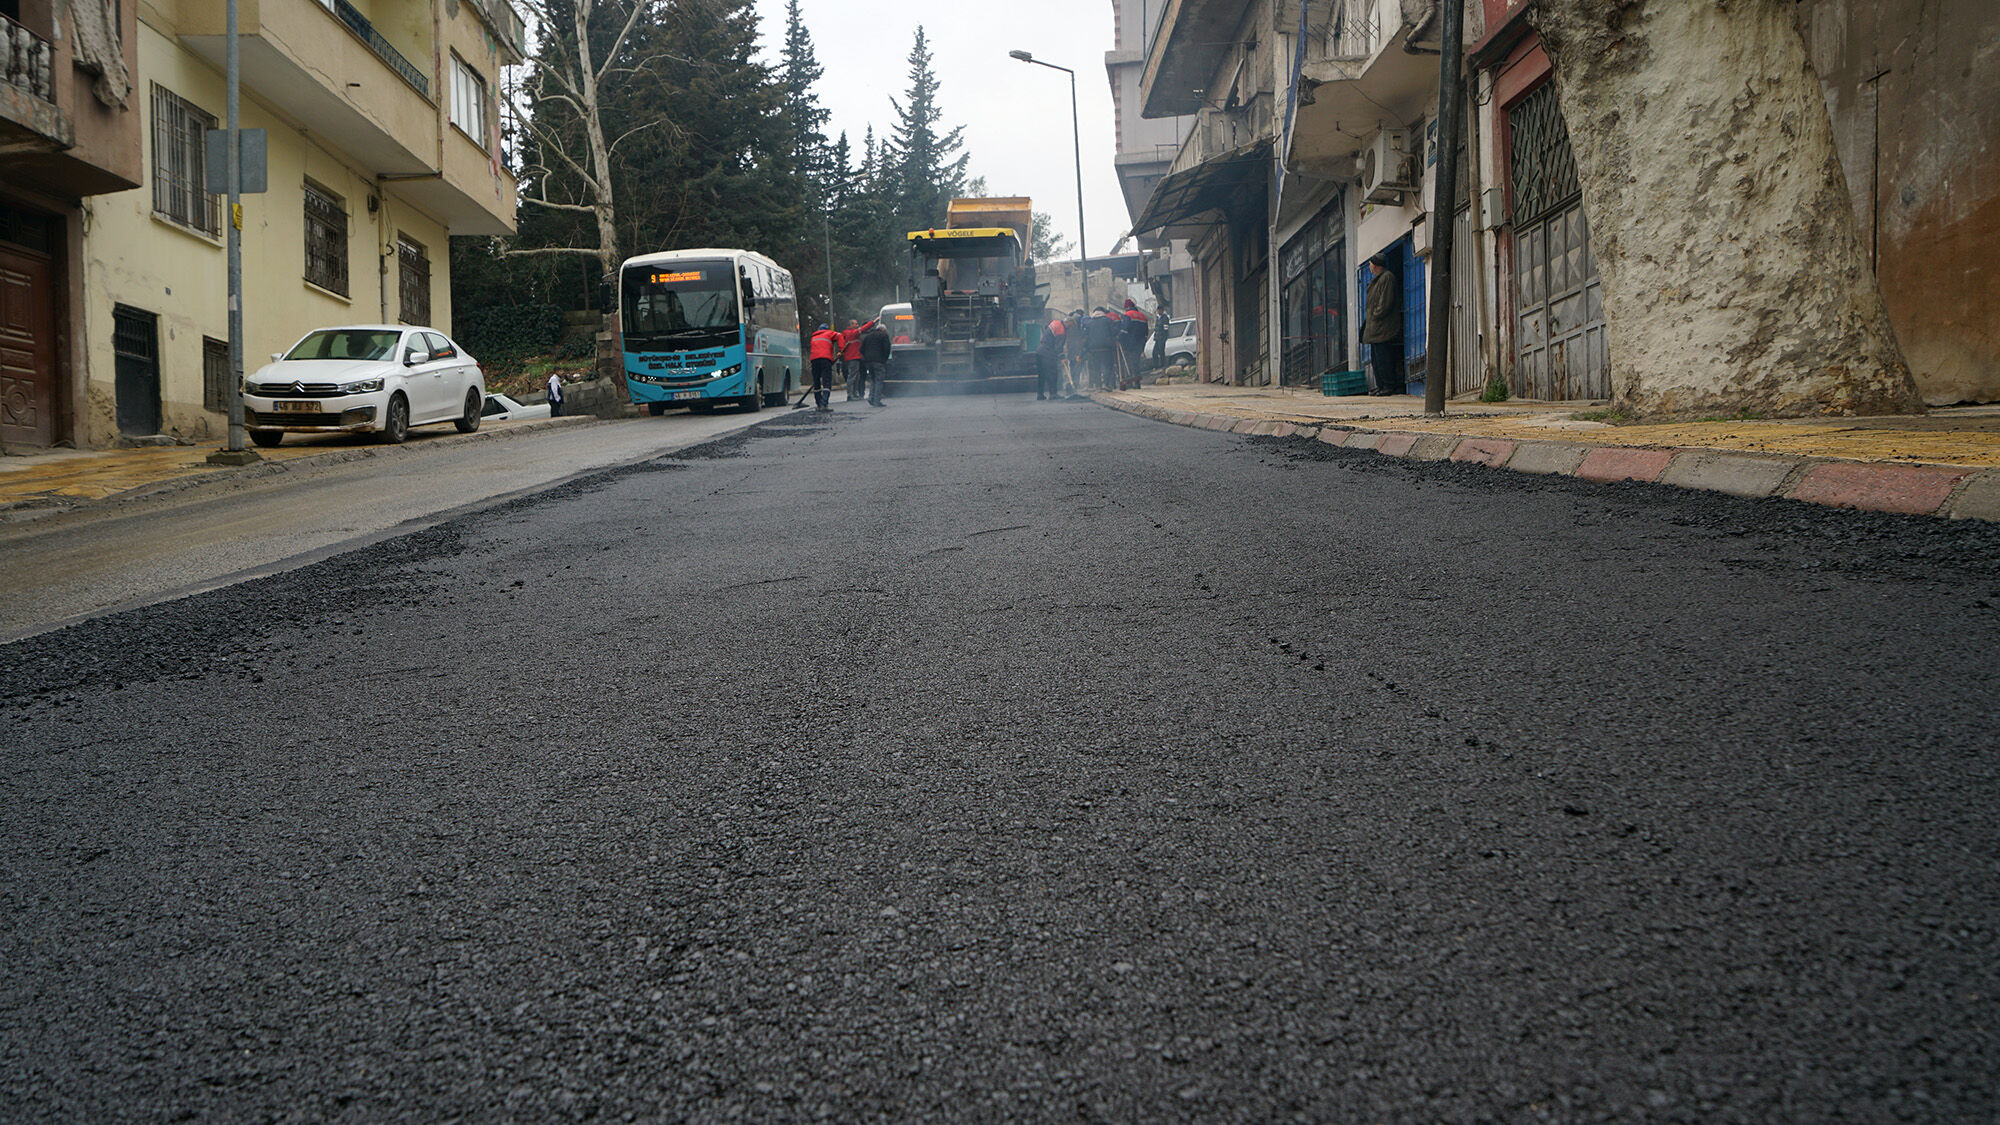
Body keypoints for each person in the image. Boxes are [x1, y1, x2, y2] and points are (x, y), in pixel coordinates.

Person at [1362, 254, 1405, 396]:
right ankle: (1381, 386)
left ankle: (1388, 386)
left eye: (1370, 264)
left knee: (1384, 358)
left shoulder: (1387, 278)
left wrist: (1375, 314)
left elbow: (1385, 303)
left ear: (1375, 265)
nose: (1369, 267)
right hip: (1375, 327)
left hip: (1382, 327)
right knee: (1376, 358)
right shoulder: (1377, 280)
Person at [1084, 307, 1122, 391]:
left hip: (1093, 348)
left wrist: (1087, 348)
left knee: (1096, 367)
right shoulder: (1108, 320)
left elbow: (1086, 337)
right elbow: (1113, 331)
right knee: (1107, 366)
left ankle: (1098, 385)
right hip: (1106, 347)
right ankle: (1106, 384)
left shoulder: (1089, 323)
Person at [808, 322, 841, 412]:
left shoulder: (814, 336)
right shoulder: (829, 333)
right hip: (825, 359)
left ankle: (818, 404)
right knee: (826, 381)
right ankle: (824, 403)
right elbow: (840, 336)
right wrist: (841, 350)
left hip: (814, 360)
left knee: (816, 381)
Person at [858, 318, 892, 407]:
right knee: (879, 380)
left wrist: (866, 358)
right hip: (879, 361)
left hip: (868, 361)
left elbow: (861, 349)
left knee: (872, 380)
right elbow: (887, 349)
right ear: (883, 330)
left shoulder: (868, 336)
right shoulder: (884, 335)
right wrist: (884, 359)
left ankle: (871, 397)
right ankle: (877, 400)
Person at [1035, 311, 1067, 401]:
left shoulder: (1055, 323)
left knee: (1042, 374)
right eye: (1072, 324)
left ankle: (1040, 394)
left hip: (1040, 351)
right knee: (1052, 373)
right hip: (1048, 353)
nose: (1071, 327)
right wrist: (1062, 357)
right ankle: (1053, 394)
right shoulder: (1061, 330)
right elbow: (1058, 347)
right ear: (1068, 322)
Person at [1119, 299, 1150, 389]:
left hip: (1129, 343)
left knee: (1127, 363)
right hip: (1139, 344)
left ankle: (1129, 382)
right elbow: (1146, 332)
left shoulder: (1127, 315)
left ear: (1127, 307)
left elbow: (1124, 329)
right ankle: (1137, 383)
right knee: (1136, 363)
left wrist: (1119, 338)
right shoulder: (1143, 316)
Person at [1063, 309, 1087, 398]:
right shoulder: (1075, 327)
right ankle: (1074, 385)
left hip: (1072, 351)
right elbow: (1078, 342)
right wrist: (1079, 354)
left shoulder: (1071, 326)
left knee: (1074, 367)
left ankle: (1073, 384)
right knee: (1076, 368)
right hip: (1075, 351)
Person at [840, 318, 866, 401]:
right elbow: (863, 329)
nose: (857, 325)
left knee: (856, 376)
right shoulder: (851, 333)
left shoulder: (850, 334)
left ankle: (854, 393)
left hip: (855, 357)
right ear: (851, 325)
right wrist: (874, 322)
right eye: (856, 324)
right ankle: (851, 394)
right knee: (852, 376)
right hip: (853, 357)